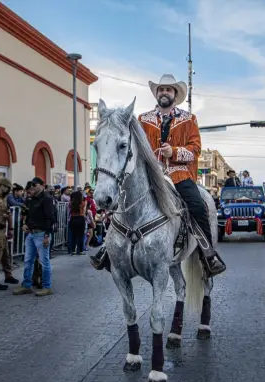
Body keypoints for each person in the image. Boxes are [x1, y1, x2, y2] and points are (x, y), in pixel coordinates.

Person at [91, 73, 226, 276]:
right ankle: (107, 250)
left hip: (178, 174)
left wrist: (174, 152)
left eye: (168, 89)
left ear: (175, 94)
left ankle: (208, 254)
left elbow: (195, 149)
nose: (164, 92)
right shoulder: (143, 120)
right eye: (161, 89)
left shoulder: (189, 120)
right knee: (123, 202)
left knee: (197, 205)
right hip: (149, 173)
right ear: (156, 94)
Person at [14, 177, 55, 297]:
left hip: (42, 234)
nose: (33, 187)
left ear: (42, 185)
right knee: (28, 261)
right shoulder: (30, 199)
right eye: (32, 185)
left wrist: (47, 235)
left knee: (44, 261)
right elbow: (26, 213)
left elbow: (50, 218)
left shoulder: (47, 199)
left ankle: (47, 286)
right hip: (31, 233)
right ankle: (27, 285)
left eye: (35, 185)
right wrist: (24, 224)